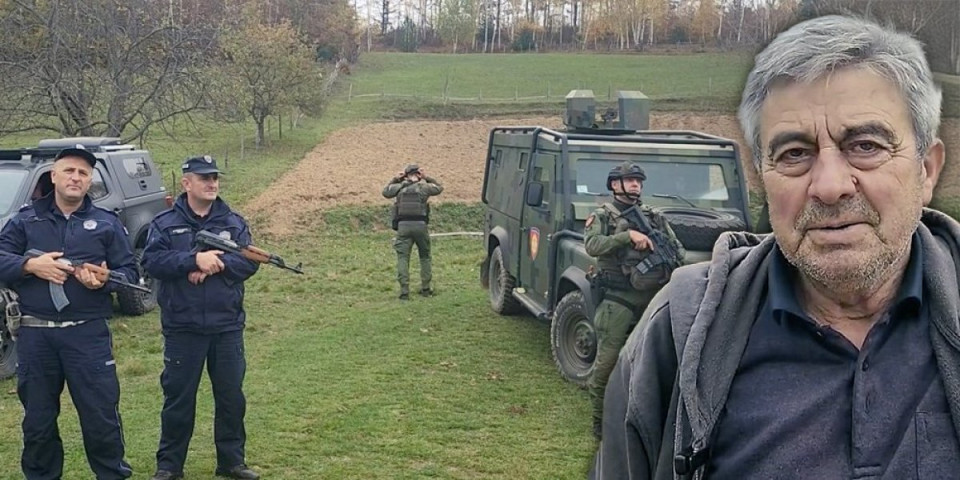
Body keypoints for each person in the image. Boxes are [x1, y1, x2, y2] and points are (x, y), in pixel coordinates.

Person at [593, 15, 959, 479]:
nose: (828, 186)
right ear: (762, 180)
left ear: (927, 170)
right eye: (794, 154)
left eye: (865, 145)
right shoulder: (681, 333)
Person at [0, 147, 137, 480]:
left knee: (101, 417)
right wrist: (31, 265)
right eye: (69, 171)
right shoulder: (25, 219)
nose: (76, 178)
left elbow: (130, 274)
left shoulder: (106, 223)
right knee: (38, 423)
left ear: (90, 180)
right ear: (54, 176)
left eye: (83, 173)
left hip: (87, 334)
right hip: (36, 336)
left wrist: (103, 282)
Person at [142, 155, 261, 480]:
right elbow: (152, 262)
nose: (212, 183)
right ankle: (169, 466)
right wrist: (192, 260)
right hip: (183, 328)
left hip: (226, 326)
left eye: (215, 178)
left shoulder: (233, 222)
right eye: (204, 178)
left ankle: (232, 462)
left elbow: (249, 262)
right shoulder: (164, 223)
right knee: (178, 399)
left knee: (231, 397)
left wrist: (215, 266)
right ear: (186, 183)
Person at [583, 162, 684, 439]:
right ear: (615, 185)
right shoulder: (603, 216)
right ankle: (600, 425)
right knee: (607, 364)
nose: (636, 184)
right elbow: (592, 246)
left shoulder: (654, 216)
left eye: (639, 180)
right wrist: (627, 236)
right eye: (630, 180)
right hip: (618, 301)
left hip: (652, 297)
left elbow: (678, 249)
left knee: (656, 361)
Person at [382, 163, 444, 300]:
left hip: (403, 226)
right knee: (425, 257)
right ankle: (426, 289)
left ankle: (404, 292)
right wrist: (427, 178)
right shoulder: (424, 188)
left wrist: (396, 179)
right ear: (418, 174)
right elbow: (439, 188)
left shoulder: (399, 188)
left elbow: (385, 192)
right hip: (421, 226)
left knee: (403, 258)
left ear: (406, 174)